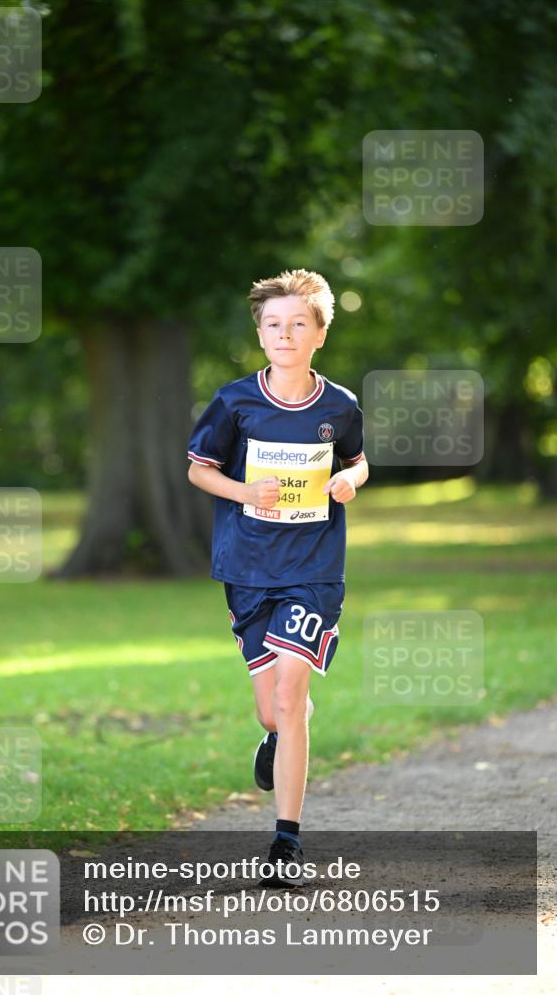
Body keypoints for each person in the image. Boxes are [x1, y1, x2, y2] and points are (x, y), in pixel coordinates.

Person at [187, 269, 368, 885]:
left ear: (320, 332)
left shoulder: (339, 405)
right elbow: (199, 471)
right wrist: (245, 490)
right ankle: (275, 739)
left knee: (293, 697)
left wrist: (351, 480)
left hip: (314, 569)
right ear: (259, 333)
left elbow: (358, 459)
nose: (284, 333)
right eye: (273, 324)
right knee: (273, 712)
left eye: (298, 324)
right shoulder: (235, 400)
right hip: (248, 569)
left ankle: (285, 843)